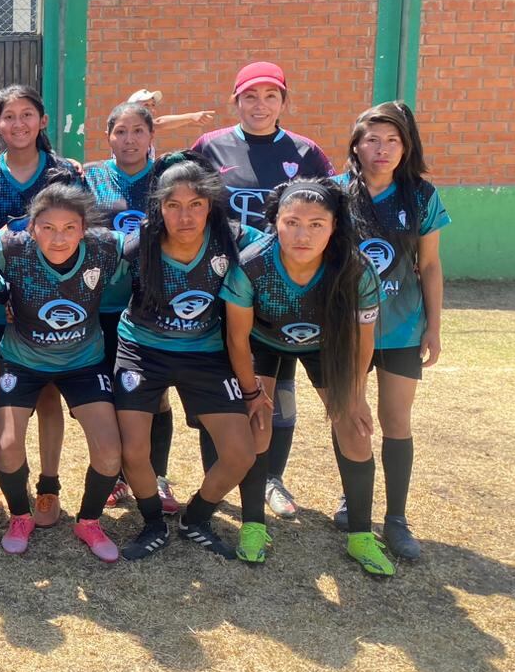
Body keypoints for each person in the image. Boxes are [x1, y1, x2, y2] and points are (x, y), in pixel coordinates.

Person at [222, 178, 387, 573]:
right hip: (266, 340)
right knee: (258, 425)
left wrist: (357, 393)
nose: (302, 234)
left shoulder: (354, 268)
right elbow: (237, 338)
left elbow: (363, 341)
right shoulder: (252, 264)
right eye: (292, 222)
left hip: (325, 343)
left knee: (354, 427)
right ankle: (254, 525)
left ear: (334, 227)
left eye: (316, 224)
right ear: (275, 222)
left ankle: (361, 535)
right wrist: (250, 392)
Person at [192, 62, 334, 519]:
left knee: (278, 388)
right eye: (250, 96)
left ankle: (272, 477)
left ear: (284, 102)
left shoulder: (305, 152)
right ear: (235, 101)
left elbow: (329, 211)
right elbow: (185, 198)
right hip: (219, 283)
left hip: (280, 291)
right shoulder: (209, 146)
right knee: (222, 384)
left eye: (271, 96)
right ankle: (216, 474)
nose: (260, 105)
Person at [113, 152, 259, 561]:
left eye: (196, 204)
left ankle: (195, 516)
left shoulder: (234, 239)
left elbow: (285, 251)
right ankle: (152, 521)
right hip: (142, 351)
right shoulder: (139, 243)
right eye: (173, 205)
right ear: (159, 207)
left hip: (205, 354)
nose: (185, 216)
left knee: (240, 454)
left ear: (210, 205)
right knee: (132, 451)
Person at [0, 184, 128, 560]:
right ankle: (20, 515)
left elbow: (159, 238)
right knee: (8, 447)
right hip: (22, 359)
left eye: (69, 228)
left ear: (84, 228)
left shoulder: (106, 246)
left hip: (83, 361)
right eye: (48, 228)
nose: (59, 238)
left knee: (110, 451)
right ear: (31, 228)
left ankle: (89, 522)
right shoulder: (9, 246)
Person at [334, 101, 449, 560]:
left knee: (394, 420)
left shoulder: (421, 196)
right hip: (346, 331)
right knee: (350, 417)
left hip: (401, 329)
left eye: (392, 140)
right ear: (356, 147)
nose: (382, 149)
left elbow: (432, 264)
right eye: (372, 140)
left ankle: (396, 518)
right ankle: (352, 496)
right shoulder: (336, 193)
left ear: (406, 147)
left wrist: (434, 327)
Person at [0, 84, 83, 529]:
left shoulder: (64, 173)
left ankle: (48, 486)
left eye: (27, 114)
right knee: (15, 391)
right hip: (2, 307)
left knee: (49, 393)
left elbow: (85, 238)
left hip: (58, 305)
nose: (18, 123)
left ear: (43, 121)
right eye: (9, 116)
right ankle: (15, 475)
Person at [83, 101, 178, 516]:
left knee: (153, 397)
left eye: (138, 131)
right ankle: (118, 477)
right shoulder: (91, 176)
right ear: (108, 137)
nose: (129, 139)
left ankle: (156, 476)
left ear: (151, 136)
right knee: (113, 395)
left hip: (154, 303)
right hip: (103, 302)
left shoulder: (167, 176)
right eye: (120, 131)